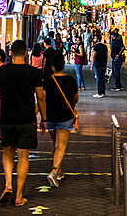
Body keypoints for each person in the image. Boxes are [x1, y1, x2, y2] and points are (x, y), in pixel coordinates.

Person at [0, 40, 46, 207]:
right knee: (23, 156)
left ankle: (8, 184)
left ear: (11, 54)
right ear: (26, 54)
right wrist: (43, 118)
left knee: (7, 151)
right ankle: (19, 196)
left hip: (7, 119)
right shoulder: (33, 72)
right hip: (27, 119)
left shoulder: (3, 71)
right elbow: (41, 97)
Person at [43, 53, 79, 187]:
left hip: (50, 116)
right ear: (63, 66)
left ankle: (59, 171)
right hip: (65, 117)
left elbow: (43, 98)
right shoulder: (71, 80)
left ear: (52, 67)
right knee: (61, 146)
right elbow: (76, 99)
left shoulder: (48, 80)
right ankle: (53, 171)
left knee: (55, 145)